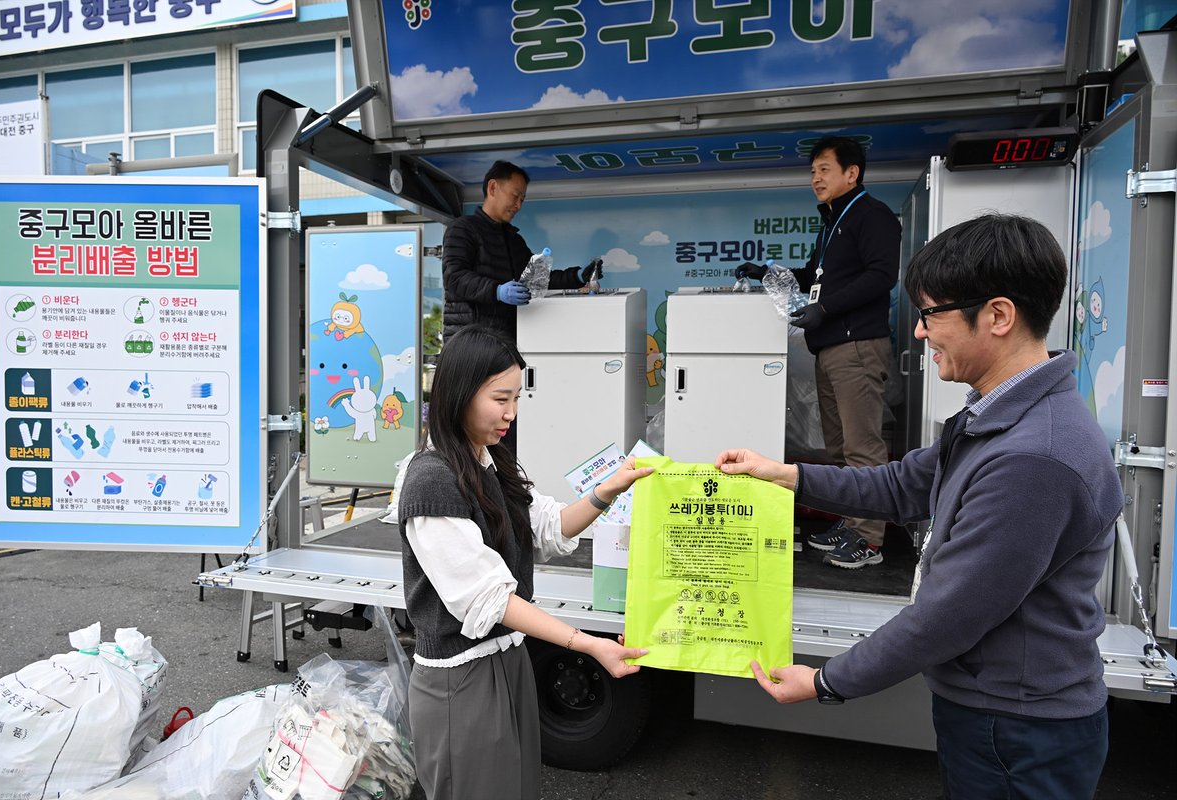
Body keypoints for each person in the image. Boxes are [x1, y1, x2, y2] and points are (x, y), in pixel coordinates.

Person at [717, 214, 1122, 799]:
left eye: (931, 314)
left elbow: (949, 615)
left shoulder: (1034, 456)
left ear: (998, 316)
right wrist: (786, 475)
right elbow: (903, 485)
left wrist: (828, 681)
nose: (919, 332)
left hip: (1017, 730)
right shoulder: (1003, 416)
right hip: (997, 712)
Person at [397, 324, 651, 800]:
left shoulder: (489, 460)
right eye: (500, 399)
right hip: (460, 678)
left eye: (516, 398)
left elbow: (548, 525)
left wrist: (609, 490)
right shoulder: (431, 480)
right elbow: (488, 598)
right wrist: (587, 644)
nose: (511, 413)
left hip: (508, 658)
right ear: (459, 393)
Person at [738, 136, 901, 568]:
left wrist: (825, 308)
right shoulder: (831, 223)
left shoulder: (872, 215)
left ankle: (869, 539)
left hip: (857, 345)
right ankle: (852, 522)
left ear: (852, 173)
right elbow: (813, 274)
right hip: (830, 346)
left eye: (824, 169)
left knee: (862, 446)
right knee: (839, 448)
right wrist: (766, 272)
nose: (816, 178)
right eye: (813, 171)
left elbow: (882, 276)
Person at [441, 160, 602, 344]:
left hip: (503, 341)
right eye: (515, 196)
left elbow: (537, 280)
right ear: (493, 188)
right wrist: (497, 291)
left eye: (522, 200)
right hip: (467, 343)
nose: (518, 205)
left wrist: (577, 276)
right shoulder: (462, 228)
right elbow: (454, 277)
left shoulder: (514, 240)